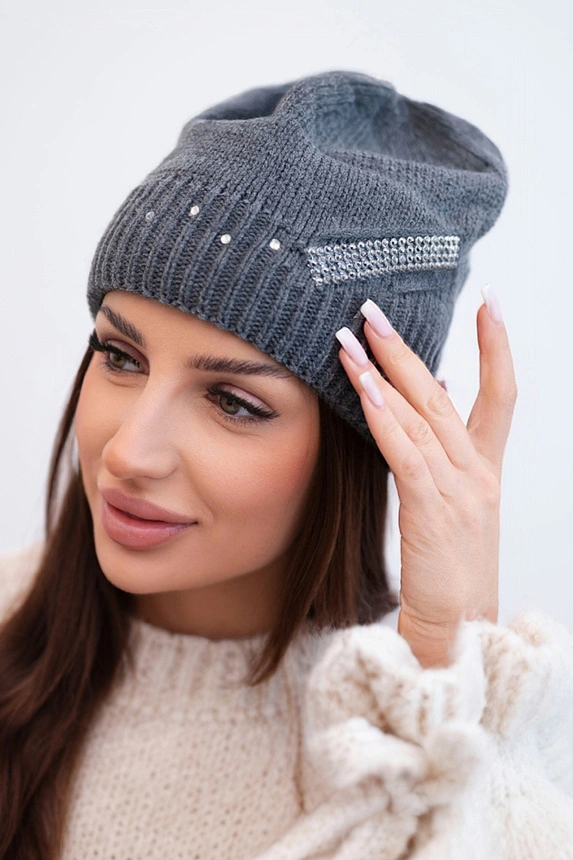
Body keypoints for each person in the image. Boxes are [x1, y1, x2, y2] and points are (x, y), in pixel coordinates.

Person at [1, 70, 572, 860]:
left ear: (362, 440)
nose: (128, 452)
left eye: (232, 401)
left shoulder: (401, 737)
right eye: (119, 355)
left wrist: (451, 665)